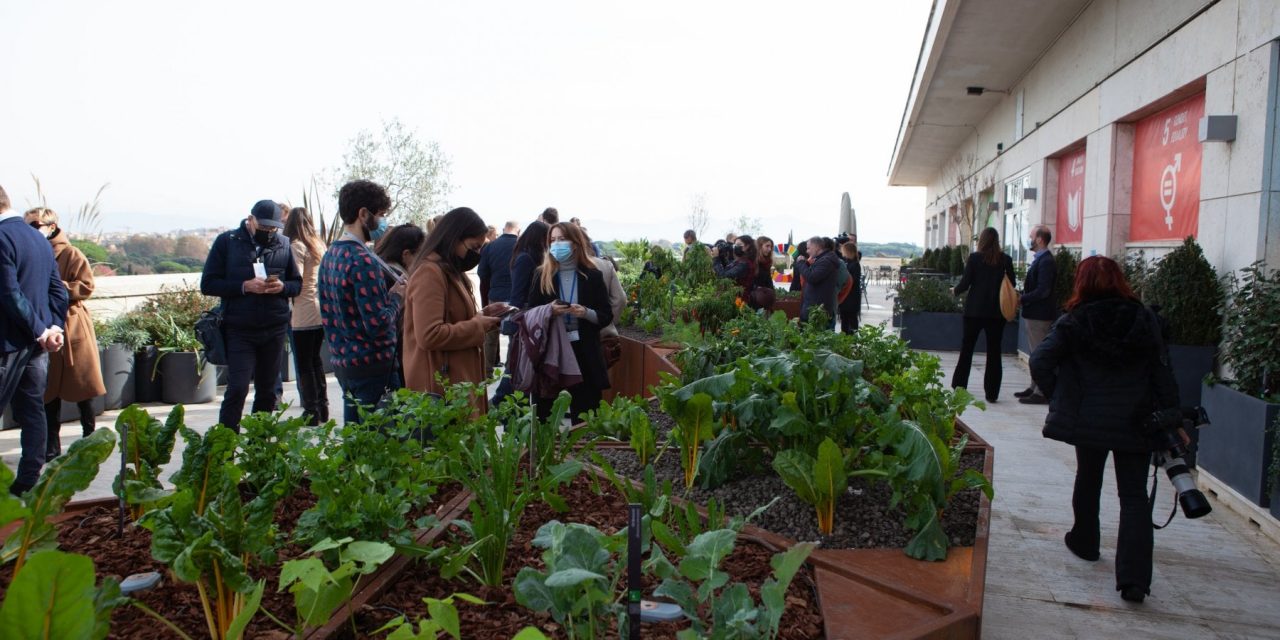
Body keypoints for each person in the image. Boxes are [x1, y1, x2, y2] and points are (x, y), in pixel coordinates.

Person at [1030, 256, 1178, 604]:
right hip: (1137, 421)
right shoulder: (1144, 319)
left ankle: (1085, 542)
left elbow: (1040, 361)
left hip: (1091, 420)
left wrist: (1061, 397)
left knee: (1088, 476)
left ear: (1082, 283)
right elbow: (1162, 371)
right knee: (1134, 495)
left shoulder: (1075, 320)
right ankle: (1134, 580)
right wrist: (1172, 416)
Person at [201, 201, 301, 432]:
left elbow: (297, 284)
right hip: (240, 328)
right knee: (237, 388)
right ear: (251, 219)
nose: (268, 232)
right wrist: (244, 286)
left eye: (273, 228)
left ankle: (259, 448)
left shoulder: (284, 244)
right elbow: (208, 284)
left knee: (267, 391)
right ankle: (225, 447)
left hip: (274, 327)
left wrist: (282, 287)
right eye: (264, 227)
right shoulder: (227, 242)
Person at [0, 186, 67, 496]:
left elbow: (10, 294)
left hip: (9, 344)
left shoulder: (3, 238)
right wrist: (52, 327)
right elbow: (58, 291)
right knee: (32, 412)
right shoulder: (37, 239)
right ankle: (28, 480)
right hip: (37, 346)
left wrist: (41, 330)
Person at [318, 180, 404, 424]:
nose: (383, 222)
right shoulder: (362, 260)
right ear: (363, 214)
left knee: (356, 441)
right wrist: (397, 297)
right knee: (380, 444)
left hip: (344, 362)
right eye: (381, 215)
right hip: (373, 367)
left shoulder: (331, 254)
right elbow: (377, 323)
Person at [403, 208, 506, 404]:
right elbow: (429, 334)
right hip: (442, 389)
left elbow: (451, 317)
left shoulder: (450, 270)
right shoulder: (430, 273)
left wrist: (481, 315)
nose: (476, 254)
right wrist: (479, 325)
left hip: (455, 383)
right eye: (474, 247)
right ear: (454, 238)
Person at [25, 208, 105, 459]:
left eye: (35, 224)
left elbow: (87, 286)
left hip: (73, 327)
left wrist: (56, 287)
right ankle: (52, 445)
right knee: (49, 391)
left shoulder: (71, 253)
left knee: (83, 387)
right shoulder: (33, 250)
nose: (30, 229)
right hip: (45, 325)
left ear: (51, 226)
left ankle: (90, 439)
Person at [527, 222, 612, 418]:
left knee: (586, 414)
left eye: (562, 239)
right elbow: (529, 312)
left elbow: (606, 315)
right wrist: (549, 311)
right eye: (553, 240)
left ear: (575, 243)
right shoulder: (542, 275)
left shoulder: (592, 275)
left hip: (584, 351)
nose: (557, 244)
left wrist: (586, 313)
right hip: (551, 351)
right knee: (544, 414)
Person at [951, 227, 1017, 403]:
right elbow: (1013, 283)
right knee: (994, 352)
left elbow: (966, 283)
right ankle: (992, 393)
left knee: (967, 350)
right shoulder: (1006, 260)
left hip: (974, 312)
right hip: (997, 314)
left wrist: (955, 291)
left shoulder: (974, 258)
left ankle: (959, 387)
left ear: (982, 240)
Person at [284, 207, 329, 426]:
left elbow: (296, 279)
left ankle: (311, 411)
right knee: (316, 360)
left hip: (303, 311)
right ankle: (323, 406)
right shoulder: (319, 244)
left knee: (304, 363)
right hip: (320, 308)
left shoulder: (297, 246)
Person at [1016, 225, 1058, 405]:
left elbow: (1043, 291)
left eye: (1031, 236)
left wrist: (1022, 299)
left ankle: (1041, 391)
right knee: (1035, 353)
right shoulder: (1040, 259)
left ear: (1040, 239)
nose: (1029, 239)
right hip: (1034, 313)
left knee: (1039, 353)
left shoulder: (1046, 261)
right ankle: (1034, 386)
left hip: (1040, 315)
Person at [479, 221, 519, 374]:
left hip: (495, 296)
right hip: (514, 297)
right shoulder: (520, 245)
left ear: (504, 229)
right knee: (514, 337)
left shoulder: (490, 246)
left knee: (490, 335)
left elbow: (482, 273)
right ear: (518, 230)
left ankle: (486, 370)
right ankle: (511, 371)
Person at [794, 236, 840, 328]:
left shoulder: (826, 261)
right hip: (815, 309)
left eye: (808, 248)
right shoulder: (823, 259)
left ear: (817, 247)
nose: (807, 251)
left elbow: (812, 277)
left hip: (817, 311)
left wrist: (801, 263)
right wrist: (806, 264)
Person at [508, 221, 550, 310]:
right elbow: (518, 291)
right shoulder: (525, 258)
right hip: (527, 310)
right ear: (540, 238)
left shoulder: (531, 255)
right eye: (547, 238)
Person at [712, 234, 758, 300]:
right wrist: (721, 257)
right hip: (734, 297)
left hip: (738, 300)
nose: (735, 247)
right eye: (735, 245)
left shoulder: (744, 264)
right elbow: (727, 269)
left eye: (738, 245)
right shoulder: (741, 260)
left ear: (747, 246)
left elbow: (723, 276)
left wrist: (716, 258)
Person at [837, 240, 861, 334]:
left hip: (851, 297)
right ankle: (846, 338)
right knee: (845, 319)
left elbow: (852, 281)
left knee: (851, 320)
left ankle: (852, 340)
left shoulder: (854, 264)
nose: (842, 253)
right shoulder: (848, 262)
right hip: (848, 296)